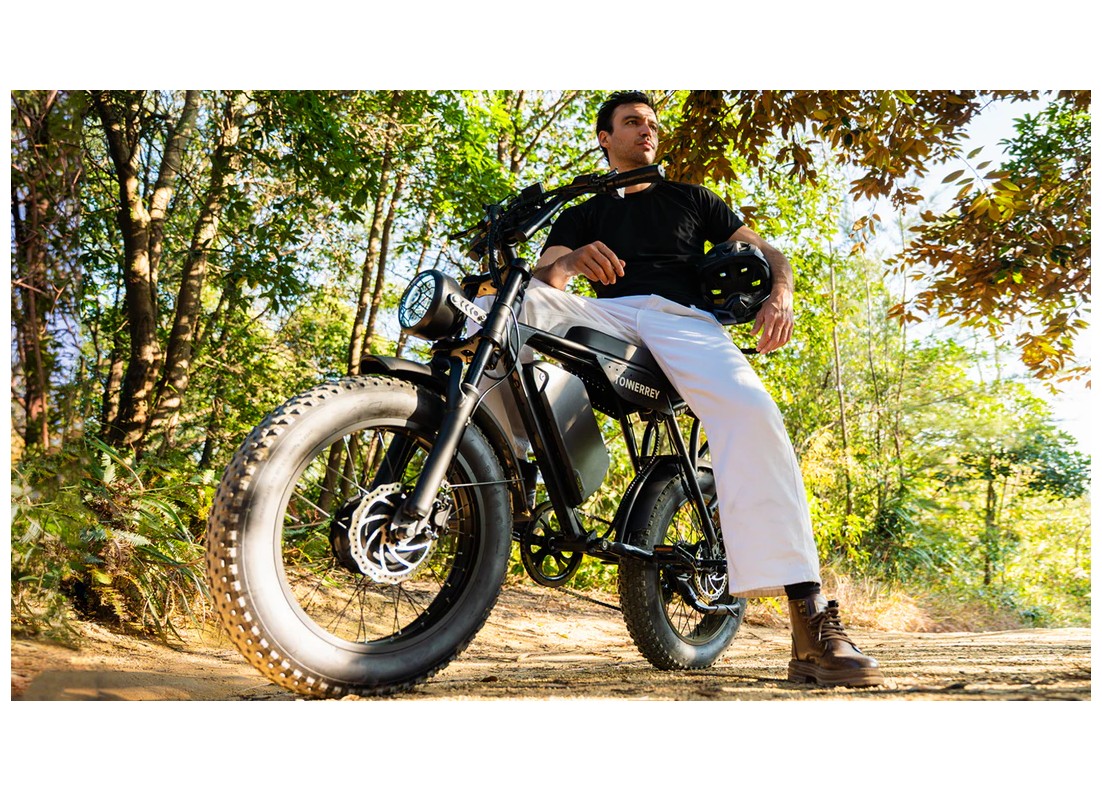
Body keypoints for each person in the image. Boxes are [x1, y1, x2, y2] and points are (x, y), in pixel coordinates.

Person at [493, 91, 883, 687]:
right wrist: (569, 263)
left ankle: (809, 624)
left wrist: (781, 296)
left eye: (652, 123)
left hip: (683, 321)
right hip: (608, 318)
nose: (646, 130)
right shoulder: (583, 211)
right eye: (632, 122)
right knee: (500, 306)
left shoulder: (693, 198)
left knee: (753, 413)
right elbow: (548, 282)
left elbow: (767, 251)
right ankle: (503, 465)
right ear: (605, 137)